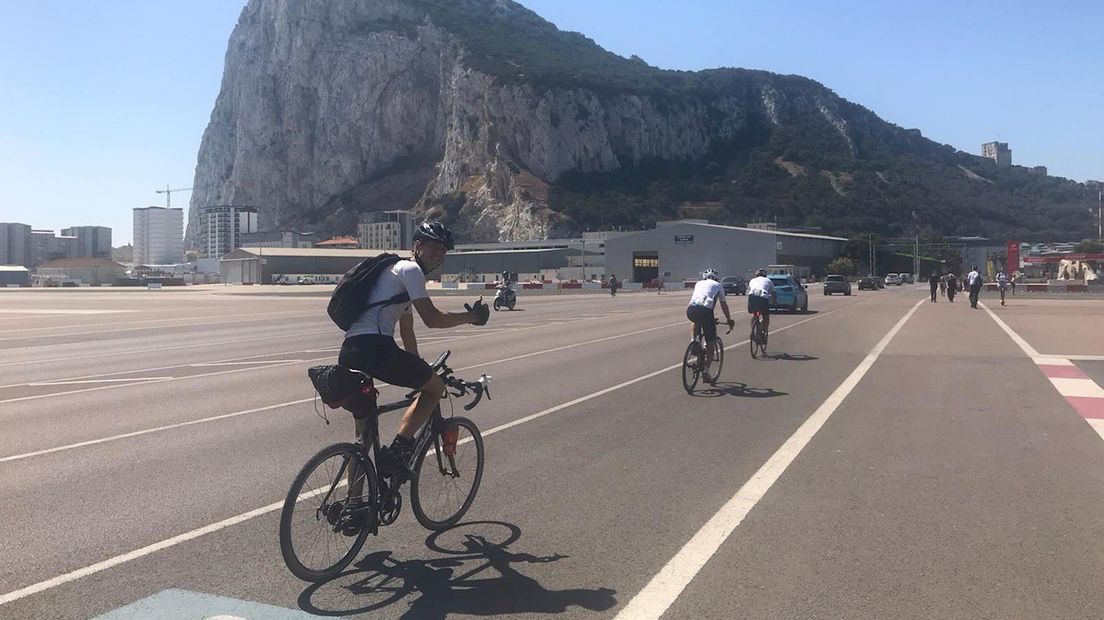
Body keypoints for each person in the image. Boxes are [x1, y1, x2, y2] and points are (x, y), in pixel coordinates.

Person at [339, 221, 489, 480]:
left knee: (363, 439)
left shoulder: (392, 274)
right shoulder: (411, 270)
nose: (439, 253)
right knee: (436, 388)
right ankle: (397, 452)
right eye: (433, 246)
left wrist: (420, 369)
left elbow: (407, 332)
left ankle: (355, 508)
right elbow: (432, 319)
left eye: (443, 250)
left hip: (350, 350)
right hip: (375, 348)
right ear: (417, 246)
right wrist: (472, 316)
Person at [686, 269, 734, 377]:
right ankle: (706, 370)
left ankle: (694, 341)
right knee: (711, 342)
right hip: (706, 312)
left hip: (691, 309)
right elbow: (723, 305)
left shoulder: (698, 283)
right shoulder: (718, 285)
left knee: (695, 321)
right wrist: (729, 320)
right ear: (716, 278)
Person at [746, 268, 776, 343]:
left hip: (752, 298)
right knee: (766, 317)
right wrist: (775, 303)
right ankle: (763, 333)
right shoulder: (768, 280)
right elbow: (773, 293)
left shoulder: (752, 280)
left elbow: (749, 291)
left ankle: (752, 333)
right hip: (763, 298)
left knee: (754, 315)